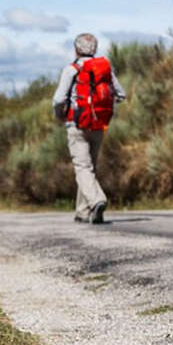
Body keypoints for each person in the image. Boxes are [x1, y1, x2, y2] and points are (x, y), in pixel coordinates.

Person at [52, 33, 125, 224]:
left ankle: (96, 200)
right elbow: (121, 94)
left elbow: (59, 99)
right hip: (98, 125)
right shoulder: (105, 69)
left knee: (82, 167)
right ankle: (82, 212)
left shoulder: (71, 69)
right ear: (95, 49)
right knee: (89, 168)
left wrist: (60, 115)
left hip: (77, 124)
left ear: (76, 49)